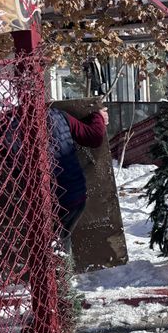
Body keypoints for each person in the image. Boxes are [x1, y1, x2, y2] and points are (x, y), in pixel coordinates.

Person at [49, 106, 108, 253]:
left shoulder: (8, 126)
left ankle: (60, 262)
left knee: (55, 244)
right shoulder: (56, 114)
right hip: (73, 194)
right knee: (61, 240)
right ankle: (62, 260)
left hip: (49, 199)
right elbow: (94, 136)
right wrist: (98, 117)